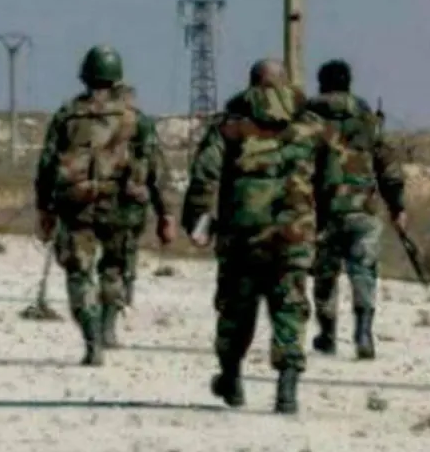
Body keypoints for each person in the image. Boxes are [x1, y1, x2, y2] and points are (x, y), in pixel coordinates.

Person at [181, 58, 341, 415]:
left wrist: (197, 221)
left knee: (236, 309)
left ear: (252, 83)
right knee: (290, 308)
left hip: (242, 237)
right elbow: (332, 184)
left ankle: (232, 377)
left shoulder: (229, 126)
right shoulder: (314, 127)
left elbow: (204, 175)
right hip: (293, 236)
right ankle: (287, 388)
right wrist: (320, 226)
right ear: (286, 83)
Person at [33, 45, 173, 364]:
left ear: (85, 76)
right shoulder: (136, 119)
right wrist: (166, 213)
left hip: (77, 207)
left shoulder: (67, 116)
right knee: (115, 268)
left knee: (78, 273)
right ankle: (108, 326)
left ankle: (91, 339)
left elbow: (46, 167)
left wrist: (44, 209)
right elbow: (155, 169)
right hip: (122, 208)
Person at [305, 59, 406, 360]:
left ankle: (327, 334)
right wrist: (397, 207)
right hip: (364, 210)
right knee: (363, 271)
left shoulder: (307, 121)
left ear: (321, 84)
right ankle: (363, 333)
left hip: (323, 211)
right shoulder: (368, 120)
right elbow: (388, 168)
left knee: (324, 274)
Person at [114, 88, 176, 308]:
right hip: (129, 198)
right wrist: (165, 212)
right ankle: (123, 292)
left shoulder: (90, 117)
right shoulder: (140, 123)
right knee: (127, 245)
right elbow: (155, 170)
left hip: (98, 196)